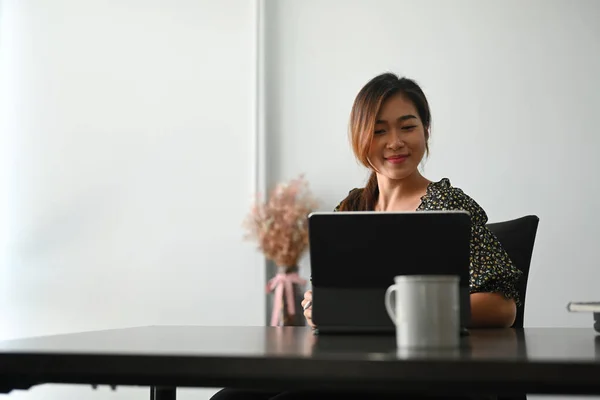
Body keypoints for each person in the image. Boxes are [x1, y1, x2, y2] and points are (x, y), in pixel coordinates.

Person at [210, 73, 521, 400]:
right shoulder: (350, 208)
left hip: (420, 376)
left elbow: (503, 309)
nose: (395, 142)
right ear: (360, 137)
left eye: (408, 127)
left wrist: (399, 310)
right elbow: (332, 297)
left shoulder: (448, 205)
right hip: (346, 366)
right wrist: (318, 306)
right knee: (228, 399)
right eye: (379, 130)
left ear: (426, 131)